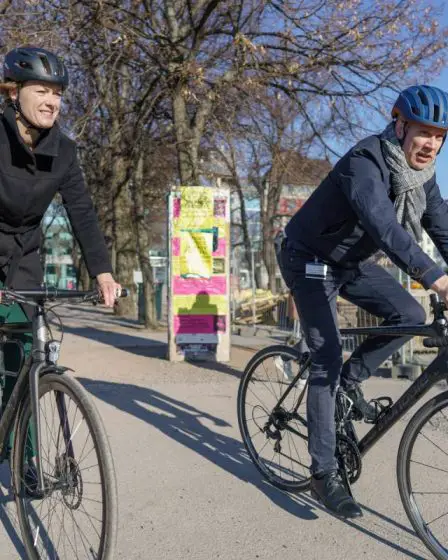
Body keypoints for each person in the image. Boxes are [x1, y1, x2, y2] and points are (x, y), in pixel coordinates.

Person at [279, 84, 448, 519]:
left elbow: (443, 231)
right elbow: (384, 226)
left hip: (350, 263)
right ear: (400, 124)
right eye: (423, 133)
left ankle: (350, 383)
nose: (431, 144)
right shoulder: (364, 161)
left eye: (440, 135)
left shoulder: (422, 182)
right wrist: (436, 278)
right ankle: (323, 472)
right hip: (309, 257)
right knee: (326, 358)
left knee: (408, 314)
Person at [0, 47, 120, 420]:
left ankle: (27, 466)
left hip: (23, 257)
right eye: (42, 91)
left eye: (58, 94)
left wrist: (103, 272)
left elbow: (81, 211)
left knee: (25, 362)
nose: (52, 102)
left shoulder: (64, 150)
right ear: (12, 92)